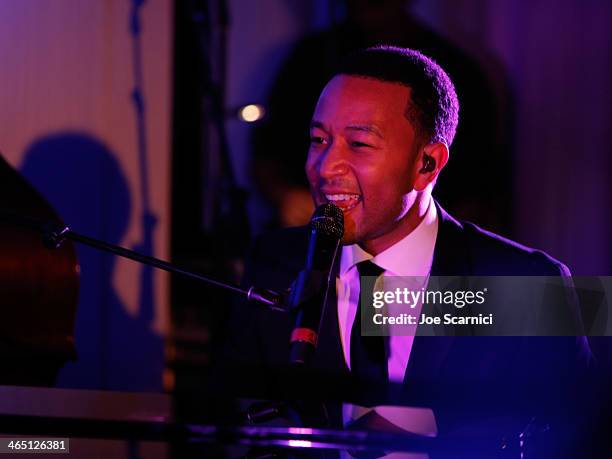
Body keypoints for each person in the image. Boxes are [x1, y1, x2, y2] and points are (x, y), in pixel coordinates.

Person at [220, 46, 593, 453]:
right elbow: (231, 428)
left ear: (427, 164)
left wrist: (434, 427)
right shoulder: (275, 263)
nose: (326, 167)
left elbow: (577, 437)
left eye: (359, 144)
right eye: (318, 139)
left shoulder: (528, 284)